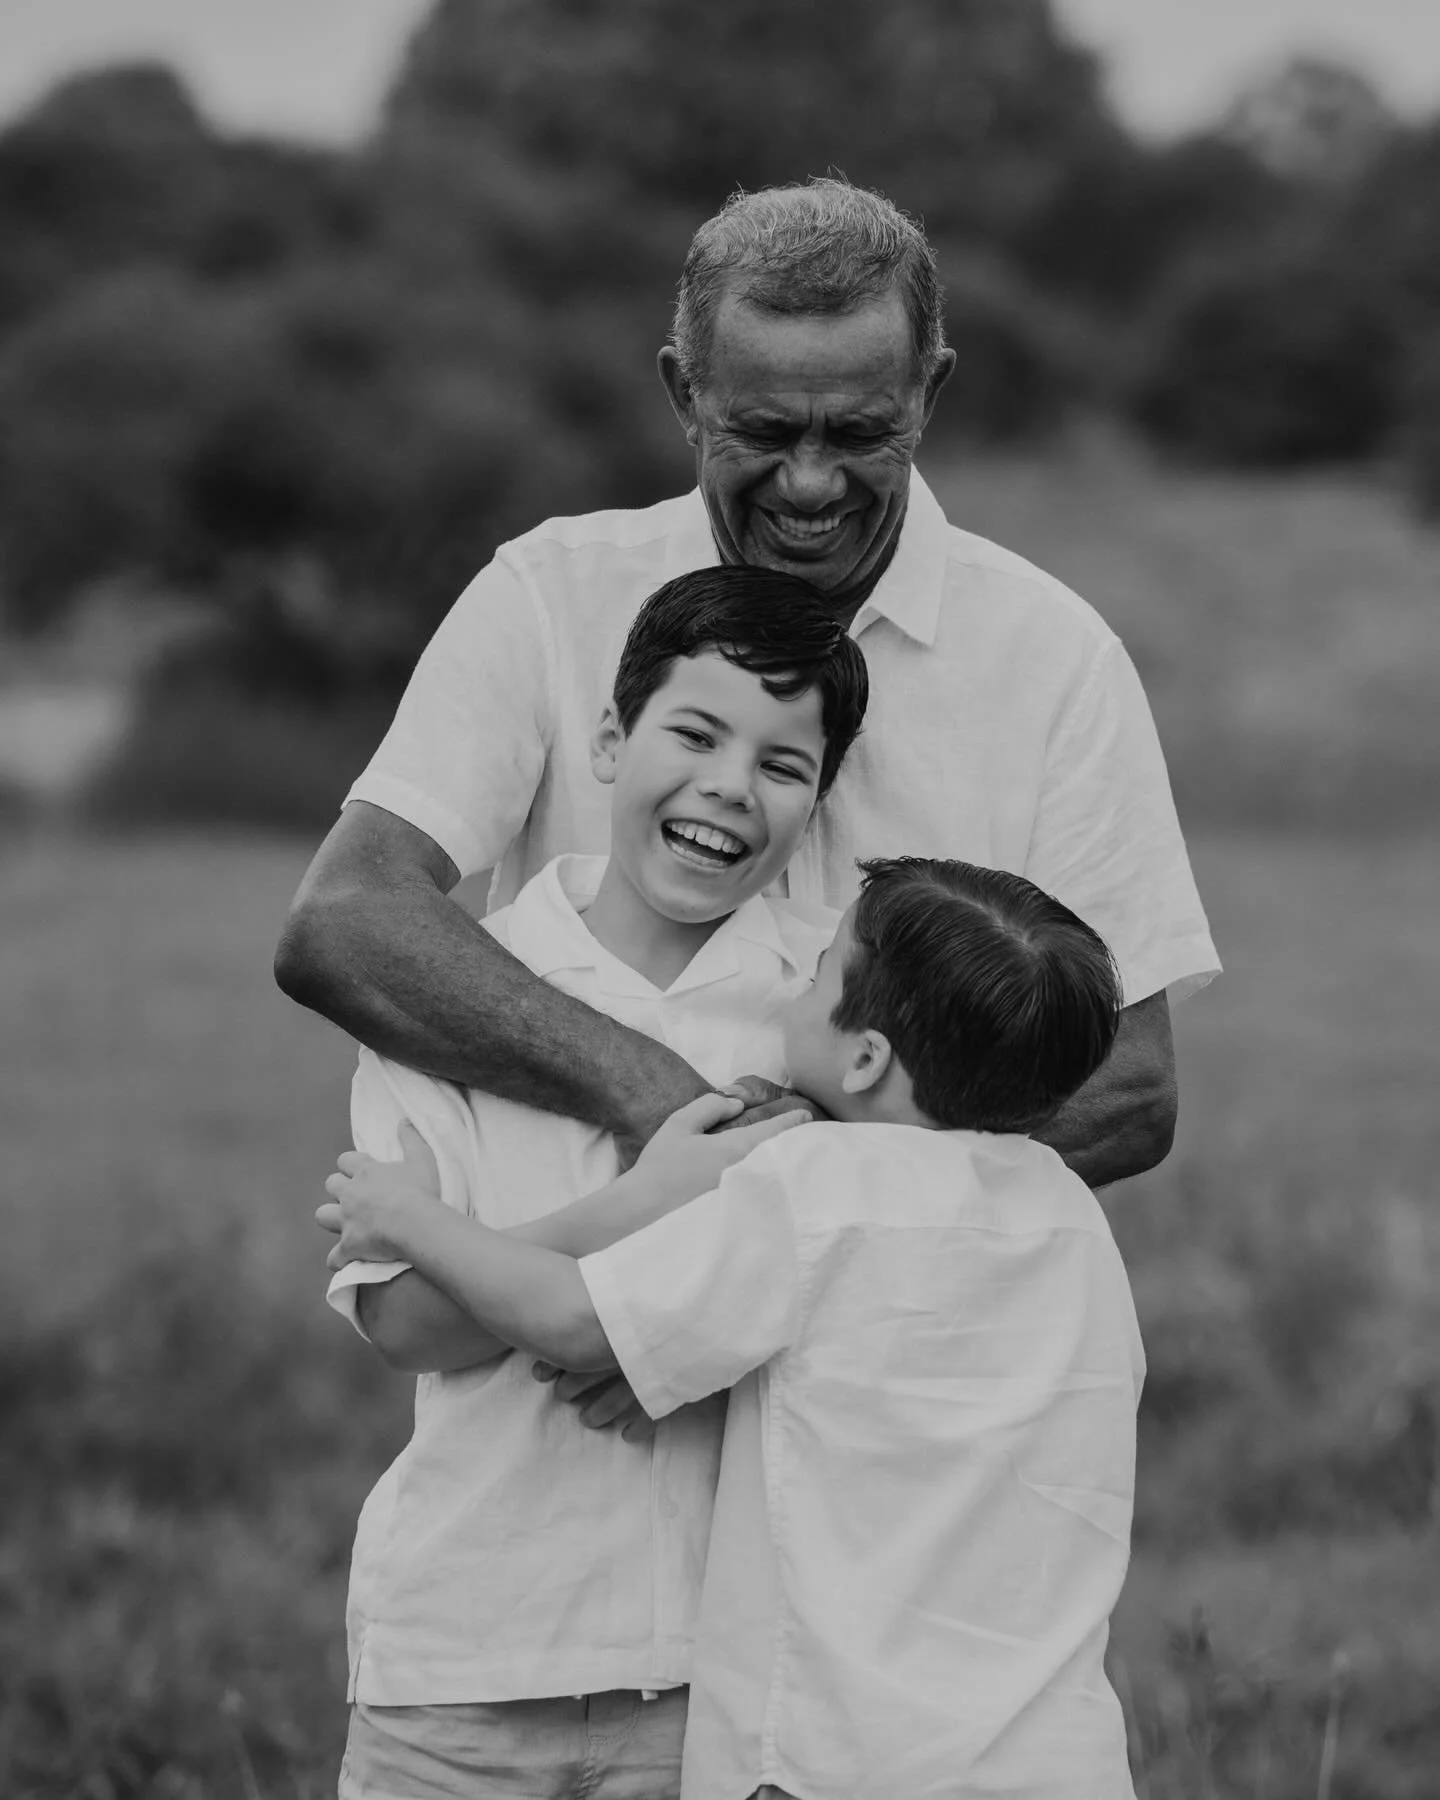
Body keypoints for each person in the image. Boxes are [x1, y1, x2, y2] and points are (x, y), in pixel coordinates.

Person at [277, 176, 1217, 1439]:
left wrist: (734, 1275)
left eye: (862, 433)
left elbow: (1130, 1087)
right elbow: (345, 918)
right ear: (682, 394)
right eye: (764, 431)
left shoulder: (1053, 659)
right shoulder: (550, 595)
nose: (813, 484)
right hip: (550, 1442)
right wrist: (655, 1097)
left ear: (931, 392)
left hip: (880, 1449)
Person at [320, 857, 1145, 1800]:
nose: (796, 981)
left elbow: (574, 1323)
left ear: (866, 1057)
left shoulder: (819, 1188)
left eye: (822, 969)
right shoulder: (1072, 1217)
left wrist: (410, 1222)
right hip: (1054, 1757)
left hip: (835, 1761)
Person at [324, 567, 869, 1799]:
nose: (732, 784)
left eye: (784, 765)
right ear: (613, 743)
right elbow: (407, 1326)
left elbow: (860, 1291)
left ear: (818, 800)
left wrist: (661, 1339)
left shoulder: (824, 1013)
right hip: (457, 1663)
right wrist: (653, 1201)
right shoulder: (461, 987)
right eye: (695, 732)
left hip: (716, 1680)